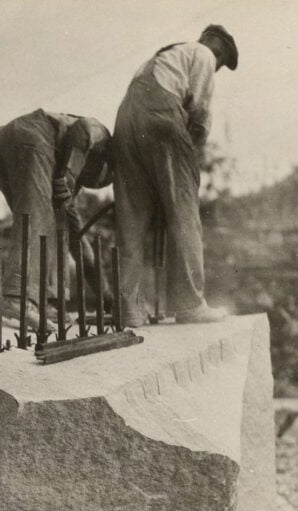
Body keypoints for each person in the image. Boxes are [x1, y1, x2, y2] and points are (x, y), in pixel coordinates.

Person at [112, 24, 238, 327]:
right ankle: (189, 304)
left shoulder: (167, 55)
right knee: (183, 210)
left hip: (126, 120)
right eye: (221, 65)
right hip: (161, 115)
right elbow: (200, 113)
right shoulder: (204, 54)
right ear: (218, 50)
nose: (216, 68)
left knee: (131, 216)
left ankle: (128, 309)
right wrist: (190, 157)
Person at [0, 109, 114, 325]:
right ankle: (18, 297)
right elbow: (85, 129)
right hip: (30, 136)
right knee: (38, 217)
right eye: (99, 181)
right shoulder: (102, 137)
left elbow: (77, 239)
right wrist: (68, 175)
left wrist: (106, 297)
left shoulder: (66, 169)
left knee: (56, 224)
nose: (92, 184)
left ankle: (44, 301)